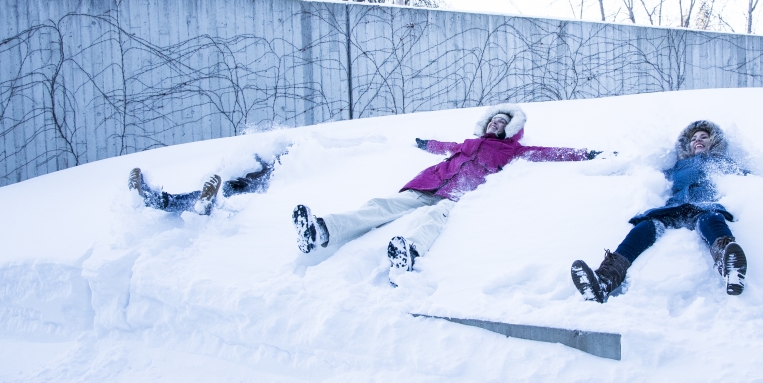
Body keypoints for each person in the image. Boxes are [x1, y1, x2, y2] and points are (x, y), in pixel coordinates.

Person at [292, 103, 601, 277]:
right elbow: (447, 146)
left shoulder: (512, 151)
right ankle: (321, 230)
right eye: (492, 119)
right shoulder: (468, 143)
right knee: (382, 204)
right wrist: (427, 144)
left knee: (435, 219)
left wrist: (585, 153)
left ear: (510, 128)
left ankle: (409, 252)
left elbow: (549, 152)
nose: (495, 123)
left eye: (501, 121)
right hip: (431, 182)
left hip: (459, 193)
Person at [571, 120, 748, 301]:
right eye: (693, 138)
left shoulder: (721, 162)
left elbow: (745, 179)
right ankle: (604, 281)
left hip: (704, 206)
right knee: (646, 226)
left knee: (711, 220)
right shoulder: (678, 166)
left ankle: (731, 268)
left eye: (704, 137)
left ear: (714, 141)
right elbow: (646, 171)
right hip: (673, 208)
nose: (698, 140)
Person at [128, 155, 278, 216]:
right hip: (241, 186)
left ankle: (211, 203)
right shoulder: (278, 161)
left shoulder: (288, 173)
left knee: (227, 194)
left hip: (255, 193)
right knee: (220, 191)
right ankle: (151, 198)